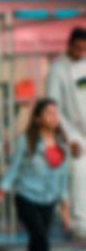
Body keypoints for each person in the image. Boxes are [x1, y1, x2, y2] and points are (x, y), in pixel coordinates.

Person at [0, 99, 79, 251]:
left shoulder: (61, 144)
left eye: (56, 113)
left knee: (36, 245)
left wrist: (65, 208)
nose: (54, 117)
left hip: (48, 201)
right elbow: (13, 170)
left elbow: (62, 179)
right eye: (49, 113)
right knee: (41, 240)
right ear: (38, 118)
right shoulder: (27, 141)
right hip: (26, 197)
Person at [46, 26, 86, 239]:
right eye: (78, 48)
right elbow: (54, 108)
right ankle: (78, 222)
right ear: (68, 45)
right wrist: (67, 138)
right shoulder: (57, 70)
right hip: (71, 132)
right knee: (79, 170)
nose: (81, 53)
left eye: (85, 49)